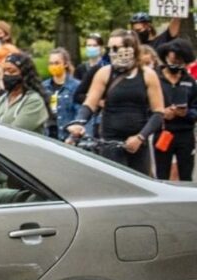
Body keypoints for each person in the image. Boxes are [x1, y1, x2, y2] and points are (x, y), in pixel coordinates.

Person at [68, 30, 164, 175]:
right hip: (111, 141)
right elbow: (89, 104)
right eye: (109, 48)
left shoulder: (148, 75)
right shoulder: (104, 73)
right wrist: (79, 122)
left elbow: (158, 112)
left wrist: (141, 137)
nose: (112, 52)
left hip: (138, 142)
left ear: (130, 48)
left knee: (141, 188)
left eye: (116, 48)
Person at [154, 43, 197, 181]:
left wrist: (187, 113)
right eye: (172, 61)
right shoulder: (155, 79)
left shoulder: (190, 81)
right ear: (165, 57)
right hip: (163, 131)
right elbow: (145, 106)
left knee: (186, 175)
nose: (175, 64)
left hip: (185, 134)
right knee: (162, 175)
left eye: (180, 62)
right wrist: (161, 113)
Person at [0, 53, 50, 134]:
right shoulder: (2, 99)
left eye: (12, 71)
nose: (7, 75)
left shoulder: (34, 101)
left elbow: (16, 132)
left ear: (24, 74)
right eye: (5, 71)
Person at [43, 48, 81, 140]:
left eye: (57, 63)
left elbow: (79, 113)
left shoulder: (76, 86)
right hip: (48, 135)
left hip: (68, 137)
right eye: (51, 63)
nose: (53, 66)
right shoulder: (44, 86)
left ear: (65, 64)